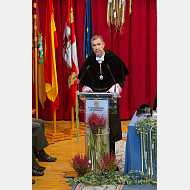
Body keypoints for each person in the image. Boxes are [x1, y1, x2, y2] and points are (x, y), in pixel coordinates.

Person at [78, 35, 130, 157]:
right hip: (95, 102)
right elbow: (83, 80)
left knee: (110, 130)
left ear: (103, 44)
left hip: (110, 99)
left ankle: (110, 159)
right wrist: (87, 89)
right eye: (94, 45)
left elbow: (121, 79)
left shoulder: (113, 59)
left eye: (99, 44)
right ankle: (95, 158)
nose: (97, 48)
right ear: (91, 47)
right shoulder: (89, 62)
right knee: (95, 129)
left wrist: (114, 89)